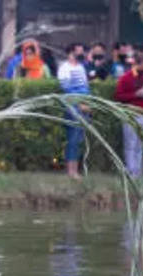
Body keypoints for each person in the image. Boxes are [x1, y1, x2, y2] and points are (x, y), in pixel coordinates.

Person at [114, 53, 143, 177]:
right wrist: (135, 94)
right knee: (131, 144)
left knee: (142, 144)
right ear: (137, 64)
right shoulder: (126, 78)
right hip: (131, 114)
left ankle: (140, 171)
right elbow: (118, 96)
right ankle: (131, 171)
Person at [58, 44, 91, 178]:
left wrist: (88, 103)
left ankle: (75, 170)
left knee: (78, 139)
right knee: (72, 138)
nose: (82, 53)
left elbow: (86, 87)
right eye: (79, 51)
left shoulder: (81, 67)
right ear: (71, 52)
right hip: (73, 107)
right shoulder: (64, 68)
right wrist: (79, 103)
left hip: (84, 106)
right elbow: (67, 89)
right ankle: (71, 171)